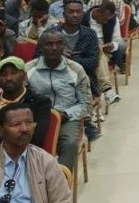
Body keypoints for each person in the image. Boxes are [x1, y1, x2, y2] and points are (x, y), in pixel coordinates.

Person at [26, 29, 91, 170]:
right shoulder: (29, 69)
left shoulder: (76, 69)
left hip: (68, 118)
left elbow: (86, 104)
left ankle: (62, 180)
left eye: (59, 43)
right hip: (37, 118)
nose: (54, 48)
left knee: (70, 143)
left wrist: (66, 114)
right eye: (49, 44)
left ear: (64, 46)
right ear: (41, 47)